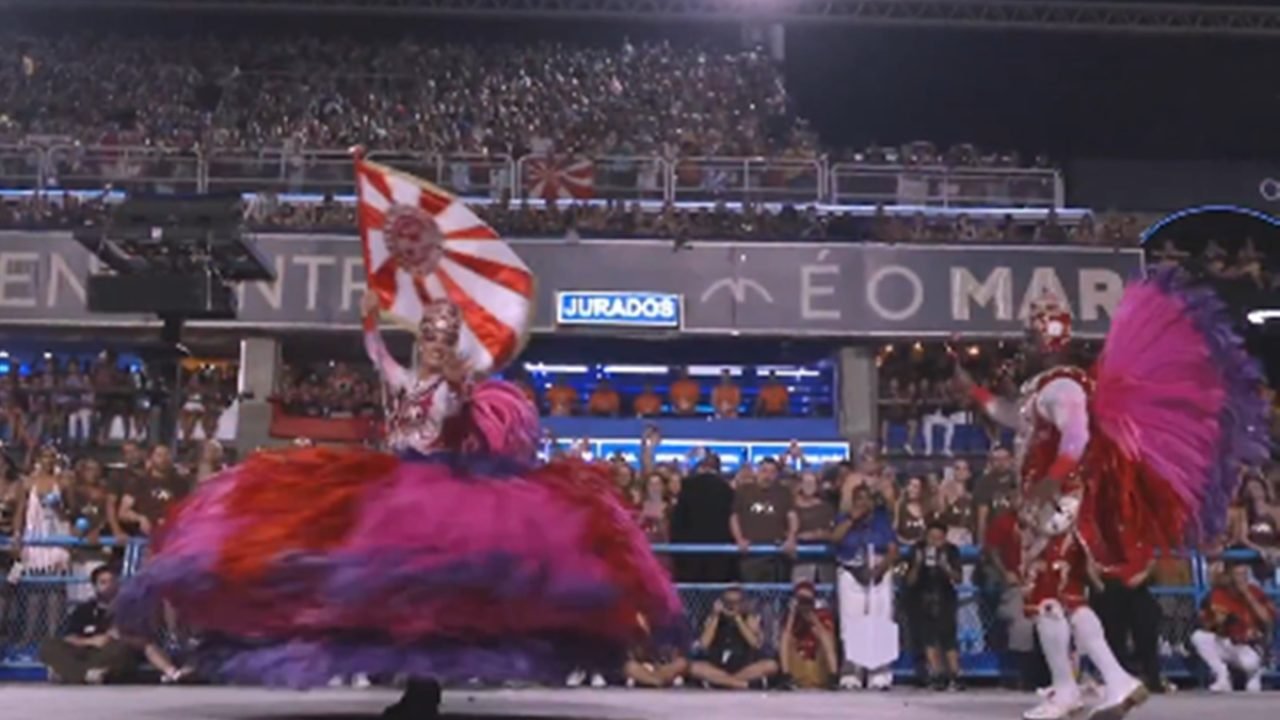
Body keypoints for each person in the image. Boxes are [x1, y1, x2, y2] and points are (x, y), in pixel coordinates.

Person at [115, 163, 682, 720]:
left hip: (435, 501)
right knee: (385, 594)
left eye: (443, 337)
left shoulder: (449, 391)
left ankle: (424, 688)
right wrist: (370, 320)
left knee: (428, 600)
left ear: (453, 343)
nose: (433, 343)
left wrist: (460, 383)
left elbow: (456, 412)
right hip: (393, 487)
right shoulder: (409, 382)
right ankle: (412, 683)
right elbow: (380, 360)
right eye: (429, 335)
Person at [958, 272, 1270, 720]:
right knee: (1070, 601)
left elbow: (1077, 436)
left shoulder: (1062, 386)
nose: (1021, 347)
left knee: (1045, 599)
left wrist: (1052, 481)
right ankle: (1114, 681)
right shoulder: (1043, 390)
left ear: (1047, 341)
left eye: (1028, 338)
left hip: (1055, 509)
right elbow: (1011, 416)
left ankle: (1070, 690)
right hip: (1054, 506)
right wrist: (975, 392)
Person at [39, 565, 188, 684]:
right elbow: (70, 637)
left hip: (112, 652)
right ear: (95, 586)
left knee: (120, 651)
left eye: (111, 581)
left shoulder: (129, 607)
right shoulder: (84, 609)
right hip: (86, 651)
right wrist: (91, 641)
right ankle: (85, 674)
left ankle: (69, 673)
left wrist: (114, 637)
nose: (108, 586)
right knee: (48, 645)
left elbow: (142, 640)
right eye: (103, 582)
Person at [832, 483, 899, 690]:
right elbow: (835, 538)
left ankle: (879, 672)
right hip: (851, 572)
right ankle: (852, 672)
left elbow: (893, 549)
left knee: (881, 620)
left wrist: (881, 568)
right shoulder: (844, 518)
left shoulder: (881, 520)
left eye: (866, 498)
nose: (862, 502)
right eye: (858, 498)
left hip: (878, 571)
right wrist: (853, 518)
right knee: (852, 622)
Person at [1189, 556, 1276, 693]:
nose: (1242, 578)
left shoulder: (1255, 591)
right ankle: (1223, 676)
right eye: (1238, 574)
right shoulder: (1219, 593)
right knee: (1198, 637)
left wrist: (1247, 594)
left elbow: (1267, 619)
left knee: (1250, 666)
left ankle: (1254, 675)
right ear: (1230, 576)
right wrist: (1218, 623)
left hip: (1249, 646)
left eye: (1245, 574)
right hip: (1227, 641)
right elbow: (1209, 625)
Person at [906, 521, 964, 690]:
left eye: (938, 538)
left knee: (948, 637)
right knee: (928, 636)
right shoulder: (917, 549)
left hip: (945, 595)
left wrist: (945, 566)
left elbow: (958, 579)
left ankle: (955, 673)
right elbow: (910, 581)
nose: (934, 542)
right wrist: (917, 563)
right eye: (931, 538)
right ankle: (936, 673)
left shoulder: (952, 551)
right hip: (923, 596)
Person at [687, 586, 779, 689]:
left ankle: (722, 682)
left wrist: (738, 619)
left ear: (743, 603)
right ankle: (739, 684)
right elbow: (704, 644)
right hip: (717, 666)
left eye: (736, 602)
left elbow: (755, 644)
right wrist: (716, 617)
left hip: (742, 667)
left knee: (771, 665)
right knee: (693, 667)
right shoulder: (714, 619)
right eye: (728, 602)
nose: (731, 606)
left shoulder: (749, 619)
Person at [778, 580, 838, 690]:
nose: (804, 604)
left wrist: (813, 618)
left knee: (826, 636)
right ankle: (786, 678)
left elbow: (827, 639)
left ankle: (833, 676)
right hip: (798, 665)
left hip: (818, 666)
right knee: (786, 637)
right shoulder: (791, 618)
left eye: (807, 601)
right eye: (801, 601)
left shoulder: (823, 614)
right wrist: (792, 614)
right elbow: (786, 637)